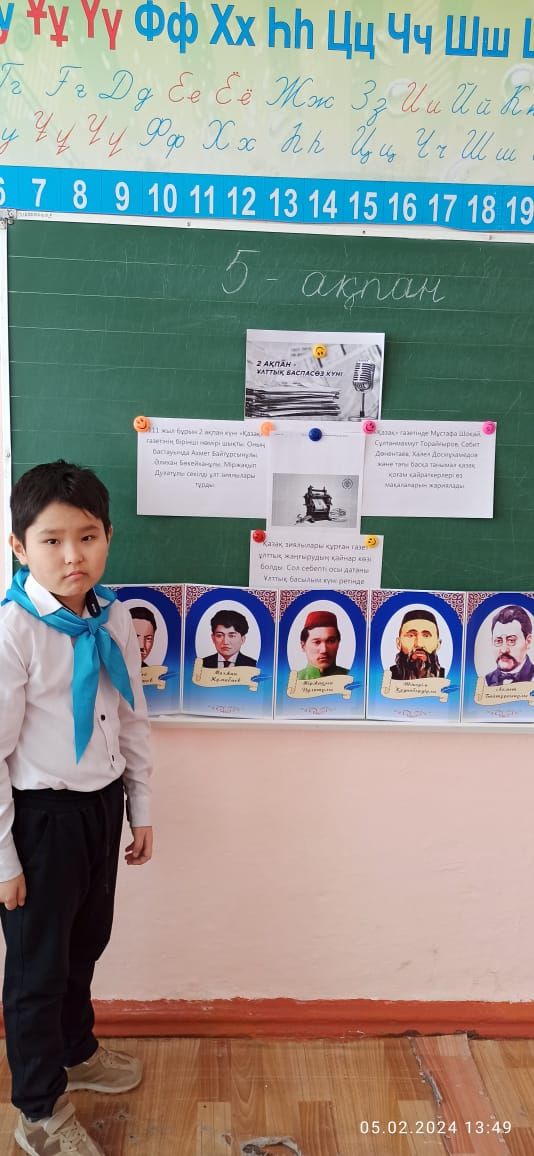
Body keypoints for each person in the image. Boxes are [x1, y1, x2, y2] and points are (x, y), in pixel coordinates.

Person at [0, 460, 153, 1156]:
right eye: (52, 540)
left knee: (85, 943)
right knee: (37, 969)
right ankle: (37, 1108)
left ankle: (76, 1050)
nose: (73, 556)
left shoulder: (113, 616)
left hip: (100, 806)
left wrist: (139, 807)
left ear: (108, 537)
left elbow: (132, 716)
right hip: (38, 819)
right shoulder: (14, 632)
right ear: (18, 546)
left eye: (88, 537)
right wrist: (4, 859)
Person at [389, 609, 445, 680]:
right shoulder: (389, 676)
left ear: (438, 644)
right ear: (398, 643)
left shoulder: (444, 677)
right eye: (411, 635)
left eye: (426, 636)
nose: (419, 644)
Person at [485, 604, 534, 685]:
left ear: (528, 641)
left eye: (511, 640)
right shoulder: (485, 682)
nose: (504, 649)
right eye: (498, 641)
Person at [297, 610, 349, 680]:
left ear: (338, 643)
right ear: (303, 646)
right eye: (317, 642)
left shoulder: (352, 677)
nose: (324, 650)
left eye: (331, 641)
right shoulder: (293, 681)